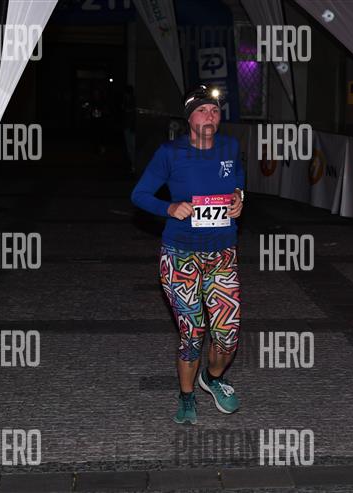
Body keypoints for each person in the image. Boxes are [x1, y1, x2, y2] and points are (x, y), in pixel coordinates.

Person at [131, 85, 245, 424]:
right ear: (189, 118)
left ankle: (212, 378)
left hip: (222, 255)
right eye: (202, 110)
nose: (210, 115)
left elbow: (238, 178)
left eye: (215, 110)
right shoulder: (170, 152)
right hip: (180, 257)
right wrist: (169, 207)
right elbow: (139, 194)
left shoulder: (230, 146)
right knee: (192, 333)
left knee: (228, 335)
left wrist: (239, 196)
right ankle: (186, 396)